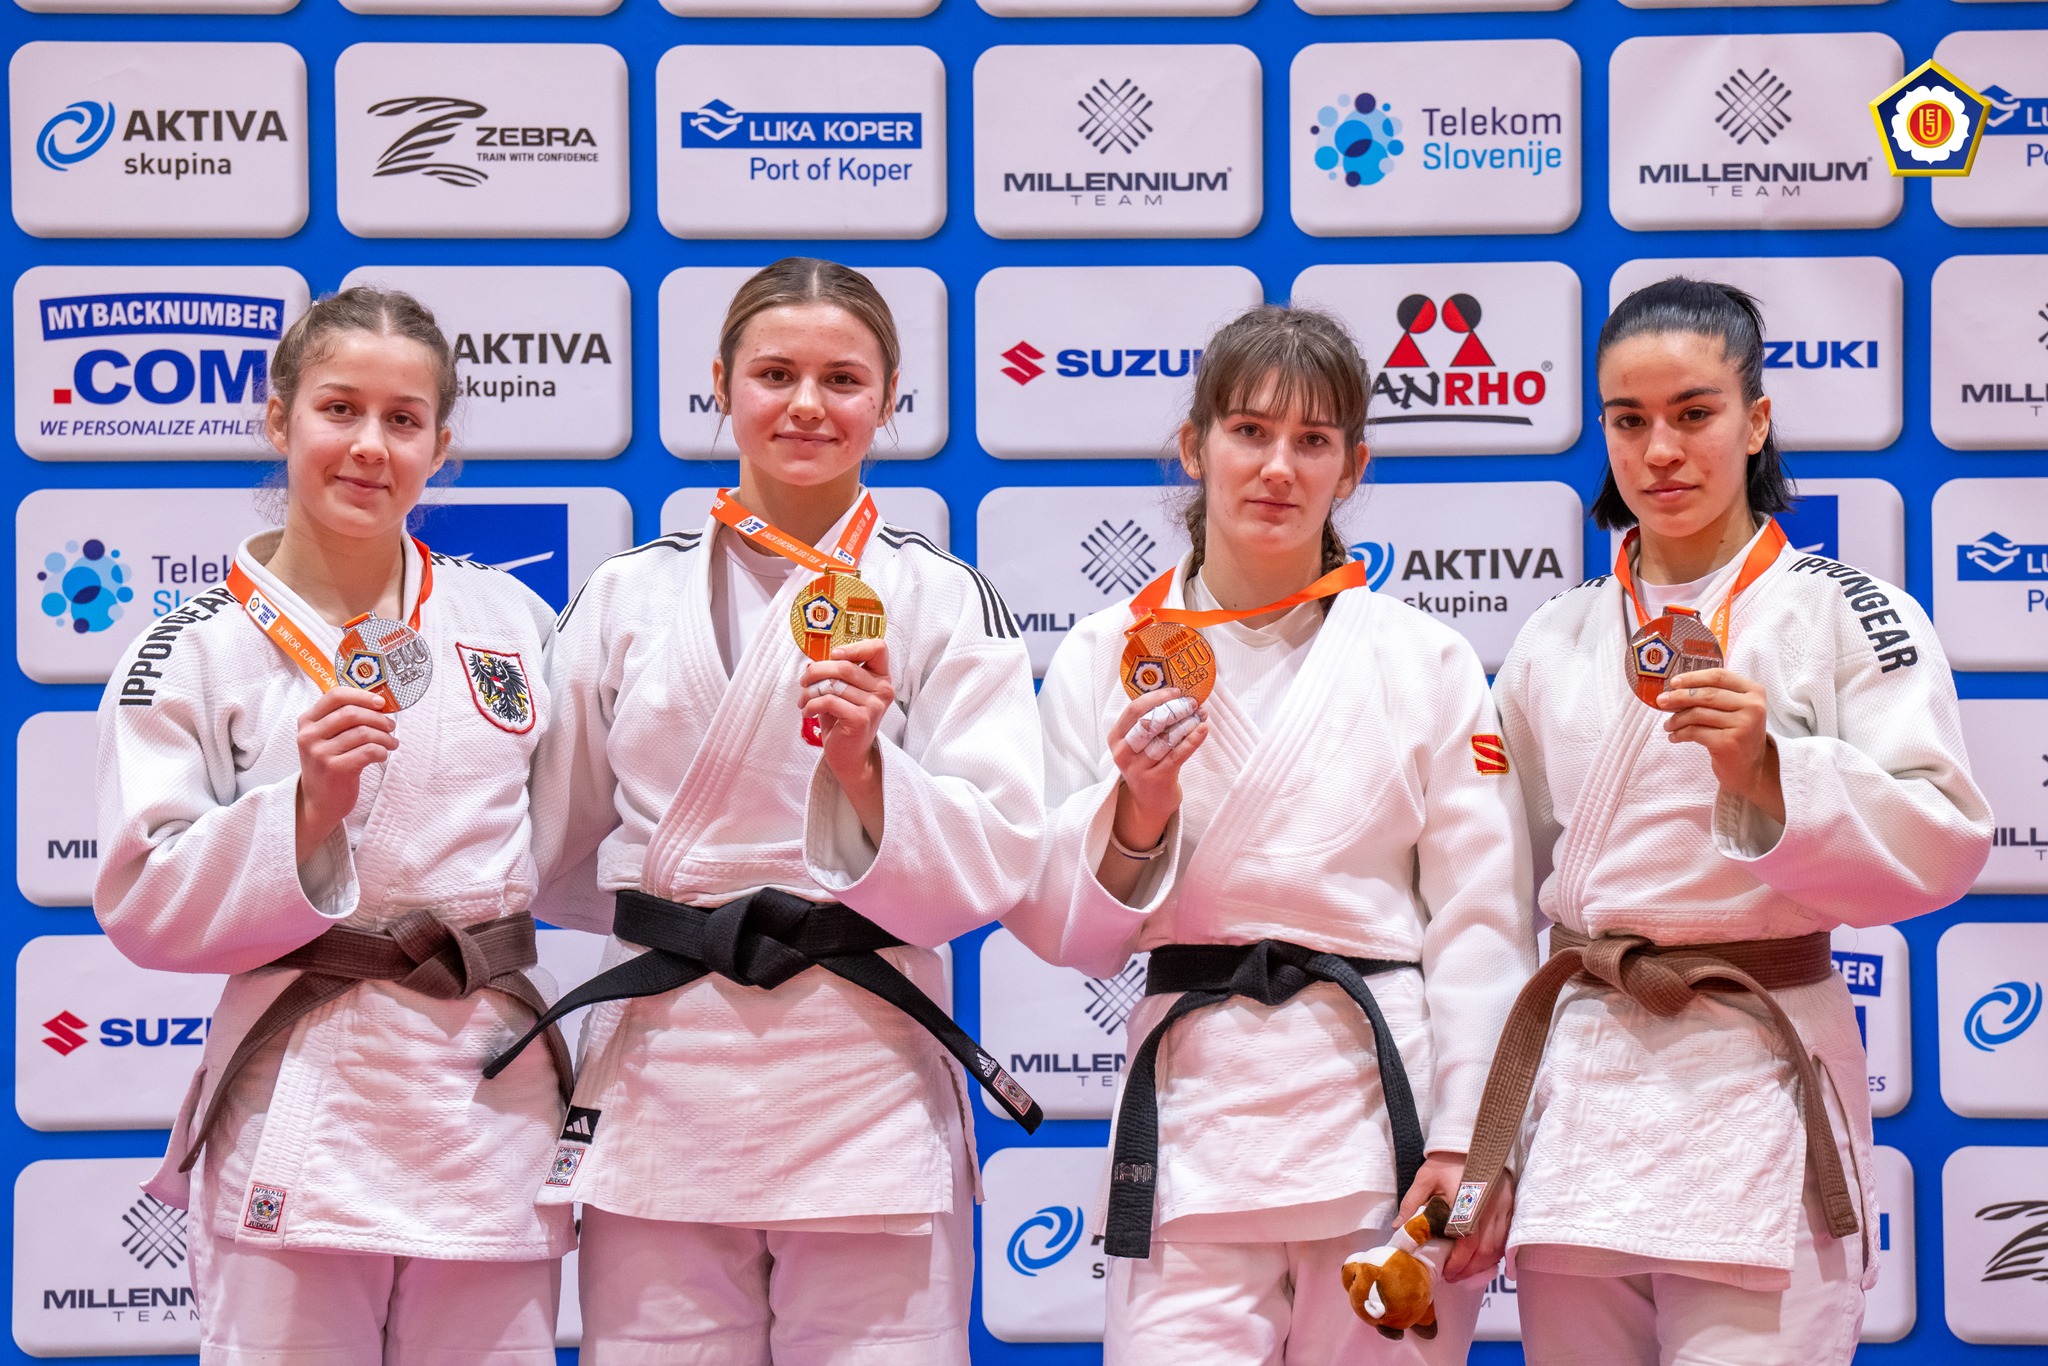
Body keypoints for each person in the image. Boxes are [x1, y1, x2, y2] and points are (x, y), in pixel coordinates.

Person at [501, 257, 1043, 1364]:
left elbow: (991, 856)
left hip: (862, 1072)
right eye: (775, 374)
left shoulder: (941, 597)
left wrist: (866, 773)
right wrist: (686, 919)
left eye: (842, 379)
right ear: (720, 384)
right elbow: (556, 848)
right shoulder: (626, 595)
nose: (807, 404)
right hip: (666, 1065)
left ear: (889, 399)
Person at [1464, 277, 1993, 1365]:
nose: (1658, 450)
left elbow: (1940, 839)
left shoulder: (1845, 612)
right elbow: (1487, 887)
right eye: (1628, 421)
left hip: (1755, 1073)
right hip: (1585, 1093)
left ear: (1755, 422)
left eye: (1693, 413)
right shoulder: (1553, 637)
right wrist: (1481, 1134)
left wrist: (1770, 770)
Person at [1009, 303, 1536, 1366]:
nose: (1278, 468)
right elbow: (1067, 933)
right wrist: (1137, 811)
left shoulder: (1423, 659)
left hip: (1381, 1128)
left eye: (1313, 440)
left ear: (1353, 467)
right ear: (1193, 445)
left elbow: (1481, 924)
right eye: (1248, 431)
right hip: (1195, 1126)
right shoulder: (1106, 654)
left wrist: (1468, 1143)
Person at [94, 286, 573, 1364]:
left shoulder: (510, 619)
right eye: (339, 409)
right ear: (280, 419)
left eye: (403, 420)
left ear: (440, 449)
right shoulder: (192, 647)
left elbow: (581, 829)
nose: (369, 446)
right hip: (302, 1101)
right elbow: (143, 898)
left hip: (484, 1100)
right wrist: (303, 812)